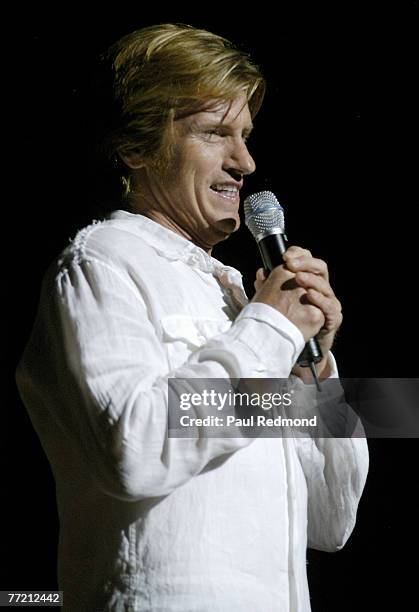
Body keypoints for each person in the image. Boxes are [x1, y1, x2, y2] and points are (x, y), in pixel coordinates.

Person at [16, 23, 368, 612]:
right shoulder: (102, 261)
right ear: (137, 147)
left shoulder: (235, 294)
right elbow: (135, 444)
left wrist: (313, 371)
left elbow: (331, 522)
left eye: (247, 135)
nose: (246, 161)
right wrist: (270, 330)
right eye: (215, 133)